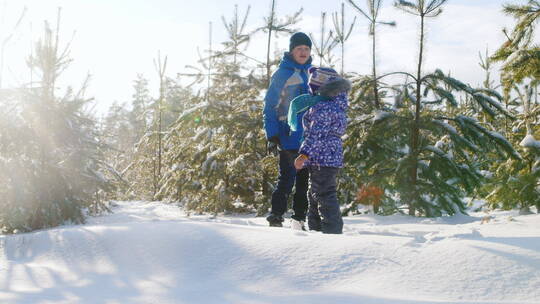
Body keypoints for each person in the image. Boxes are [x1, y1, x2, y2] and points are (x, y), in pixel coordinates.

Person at [290, 67, 351, 234]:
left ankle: (332, 232)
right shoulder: (336, 106)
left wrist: (304, 154)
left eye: (314, 89)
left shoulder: (323, 108)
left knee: (324, 194)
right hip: (327, 157)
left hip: (321, 158)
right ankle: (316, 230)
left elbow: (316, 134)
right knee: (315, 194)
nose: (312, 93)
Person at [263, 32, 313, 229]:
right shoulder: (283, 73)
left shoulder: (313, 74)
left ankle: (299, 219)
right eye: (299, 48)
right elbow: (270, 104)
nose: (303, 52)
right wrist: (272, 132)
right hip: (288, 133)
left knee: (304, 179)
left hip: (308, 136)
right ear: (292, 51)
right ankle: (276, 216)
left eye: (306, 49)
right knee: (287, 177)